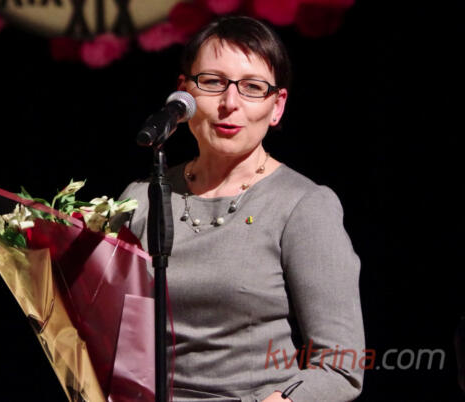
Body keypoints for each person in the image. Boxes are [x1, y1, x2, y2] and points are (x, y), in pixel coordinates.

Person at [119, 15, 364, 402]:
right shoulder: (139, 199)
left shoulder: (302, 206)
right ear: (183, 95)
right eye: (212, 82)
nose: (229, 103)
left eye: (252, 87)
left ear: (277, 106)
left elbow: (340, 367)